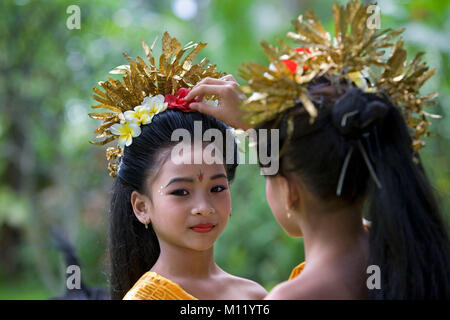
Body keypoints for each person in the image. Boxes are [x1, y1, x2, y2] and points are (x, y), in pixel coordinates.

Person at [185, 1, 450, 299]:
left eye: (268, 174)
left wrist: (264, 128)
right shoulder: (404, 252)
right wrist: (266, 130)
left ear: (290, 191)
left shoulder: (295, 296)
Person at [89, 32, 267, 300]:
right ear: (141, 206)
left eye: (217, 187)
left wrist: (257, 124)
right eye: (181, 192)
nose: (204, 207)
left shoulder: (253, 295)